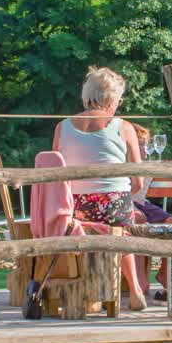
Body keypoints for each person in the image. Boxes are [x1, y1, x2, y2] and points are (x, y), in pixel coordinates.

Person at [53, 67, 148, 310]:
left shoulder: (62, 127)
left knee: (101, 226)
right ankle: (135, 290)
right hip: (113, 204)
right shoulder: (123, 127)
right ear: (111, 98)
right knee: (123, 229)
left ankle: (91, 291)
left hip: (75, 207)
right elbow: (137, 181)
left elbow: (54, 170)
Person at [127, 123, 172, 306]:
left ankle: (165, 272)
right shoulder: (121, 164)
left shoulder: (149, 164)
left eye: (146, 145)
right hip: (129, 205)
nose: (144, 149)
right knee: (139, 223)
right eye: (140, 145)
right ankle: (140, 283)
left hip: (144, 206)